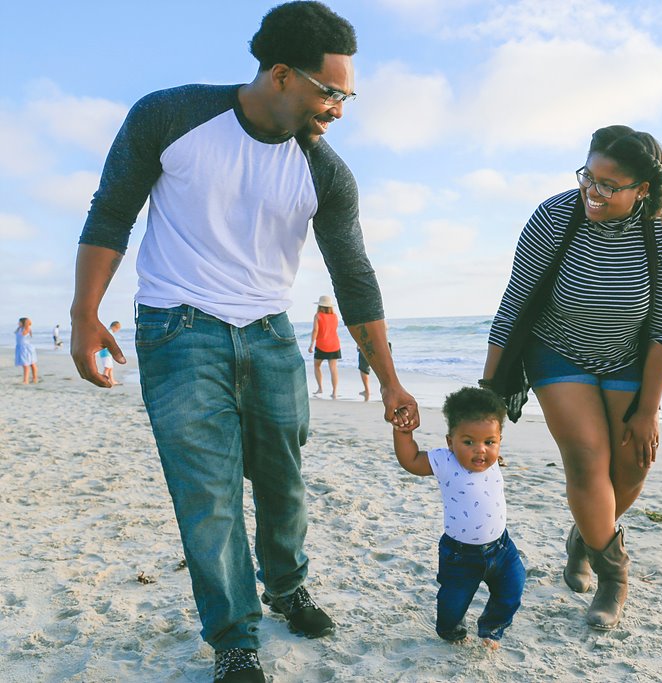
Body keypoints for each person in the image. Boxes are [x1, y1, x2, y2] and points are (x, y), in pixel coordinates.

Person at [70, 3, 419, 681]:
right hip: (177, 330)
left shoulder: (325, 173)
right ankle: (235, 635)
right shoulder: (169, 116)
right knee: (208, 494)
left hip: (269, 337)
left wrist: (392, 378)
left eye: (347, 94)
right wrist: (86, 312)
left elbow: (354, 276)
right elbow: (112, 209)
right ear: (282, 75)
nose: (340, 108)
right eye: (332, 92)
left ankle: (286, 585)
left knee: (284, 482)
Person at [482, 125, 662, 630]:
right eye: (588, 177)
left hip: (627, 359)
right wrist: (488, 395)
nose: (592, 193)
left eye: (608, 185)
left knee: (632, 467)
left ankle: (585, 536)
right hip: (557, 351)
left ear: (643, 188)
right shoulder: (556, 215)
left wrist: (648, 411)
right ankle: (614, 576)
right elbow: (514, 302)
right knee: (587, 460)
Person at [392, 387, 525, 650]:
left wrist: (495, 457)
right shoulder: (445, 461)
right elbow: (411, 460)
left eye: (490, 442)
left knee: (512, 590)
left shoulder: (492, 460)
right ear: (450, 441)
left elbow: (489, 458)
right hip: (460, 555)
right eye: (468, 442)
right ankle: (451, 630)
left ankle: (492, 627)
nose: (480, 451)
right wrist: (403, 433)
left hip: (501, 548)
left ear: (499, 440)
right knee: (453, 603)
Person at [308, 295, 341, 399]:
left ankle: (320, 388)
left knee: (317, 366)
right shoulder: (335, 316)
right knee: (333, 368)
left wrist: (311, 344)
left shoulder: (318, 316)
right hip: (335, 344)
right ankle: (334, 392)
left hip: (322, 344)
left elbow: (315, 330)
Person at [97, 321, 122, 385]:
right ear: (115, 327)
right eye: (117, 329)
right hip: (106, 352)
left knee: (110, 368)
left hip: (107, 353)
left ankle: (112, 381)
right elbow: (109, 344)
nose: (117, 331)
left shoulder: (108, 332)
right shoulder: (109, 333)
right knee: (107, 368)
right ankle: (103, 380)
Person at [14, 317, 38, 384]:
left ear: (24, 323)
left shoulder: (26, 328)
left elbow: (29, 323)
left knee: (28, 364)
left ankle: (28, 380)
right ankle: (32, 379)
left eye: (20, 322)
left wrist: (26, 322)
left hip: (26, 348)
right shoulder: (19, 329)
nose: (18, 323)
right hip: (21, 348)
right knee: (27, 364)